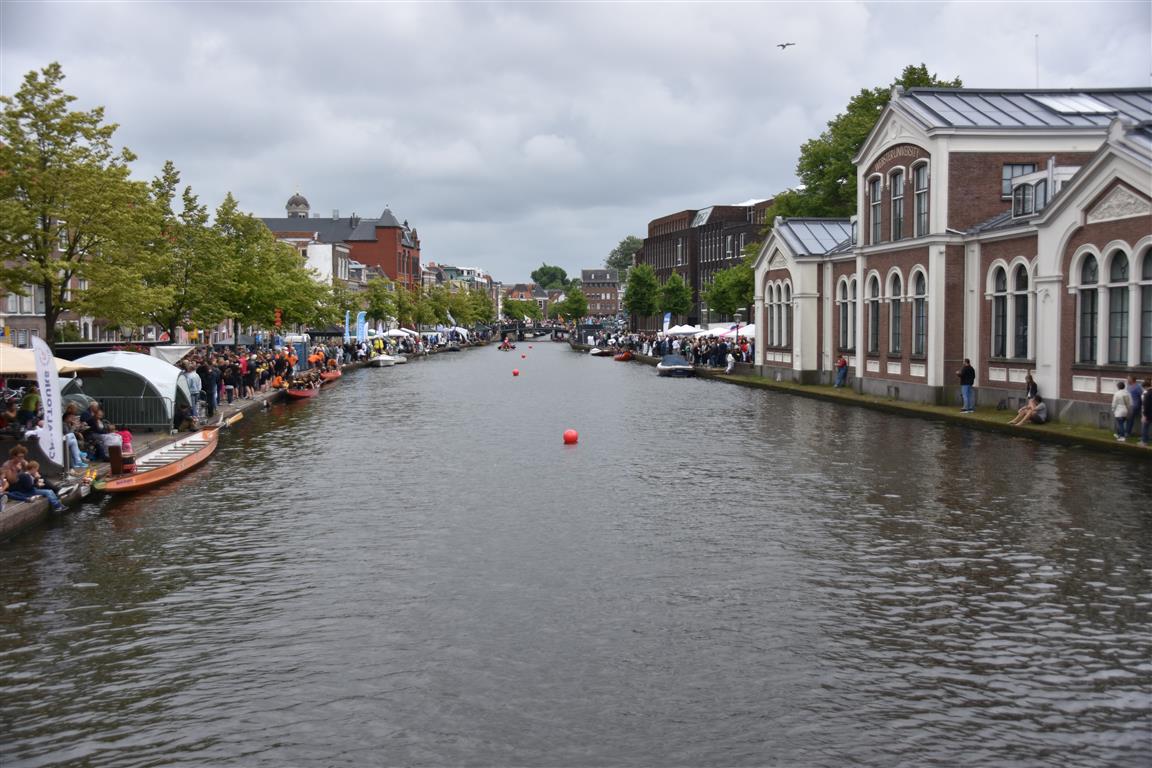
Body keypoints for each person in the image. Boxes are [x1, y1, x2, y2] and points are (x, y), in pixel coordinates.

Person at [1140, 379, 1152, 448]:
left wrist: (1144, 415)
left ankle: (1144, 442)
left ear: (1145, 386)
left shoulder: (1147, 394)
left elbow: (1146, 405)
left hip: (1148, 414)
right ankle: (1146, 440)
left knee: (1145, 428)